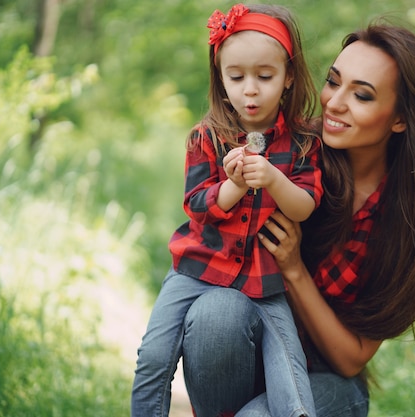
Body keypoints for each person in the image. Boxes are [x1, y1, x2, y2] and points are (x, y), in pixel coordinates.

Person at [179, 20, 415, 416]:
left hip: (329, 381)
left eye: (363, 95)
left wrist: (294, 268)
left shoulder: (404, 218)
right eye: (334, 81)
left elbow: (352, 359)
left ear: (400, 119)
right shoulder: (295, 157)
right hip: (247, 356)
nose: (334, 102)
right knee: (216, 313)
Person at [131, 4, 322, 417]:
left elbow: (305, 205)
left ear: (289, 77)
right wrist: (233, 185)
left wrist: (272, 178)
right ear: (220, 76)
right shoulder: (206, 136)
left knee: (292, 381)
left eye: (264, 76)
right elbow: (197, 204)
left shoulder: (305, 142)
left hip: (266, 280)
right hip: (195, 270)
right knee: (153, 357)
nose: (249, 90)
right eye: (236, 77)